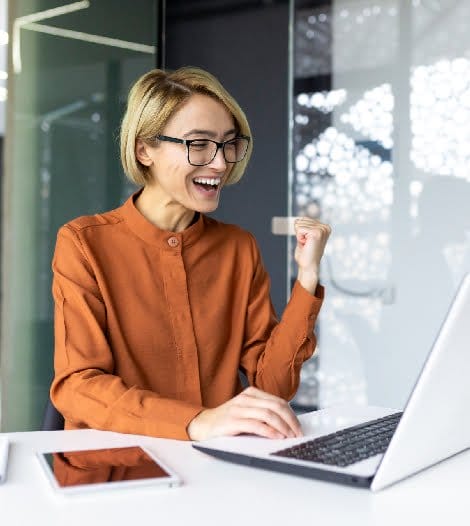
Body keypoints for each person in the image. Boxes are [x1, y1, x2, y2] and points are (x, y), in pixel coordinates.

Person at [51, 66, 331, 441]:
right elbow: (78, 386)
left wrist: (308, 277)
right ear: (144, 149)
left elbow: (271, 387)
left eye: (228, 143)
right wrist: (197, 421)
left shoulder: (238, 249)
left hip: (218, 468)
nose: (220, 162)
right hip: (119, 469)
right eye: (198, 144)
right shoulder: (84, 244)